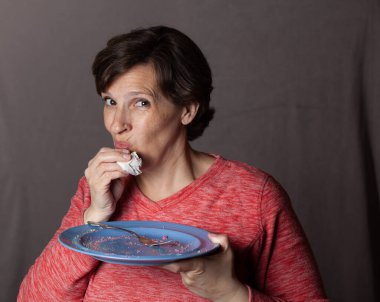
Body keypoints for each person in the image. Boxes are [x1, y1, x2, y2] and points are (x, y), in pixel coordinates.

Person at [18, 25, 328, 302]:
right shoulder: (99, 188)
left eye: (140, 102)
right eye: (110, 102)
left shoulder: (253, 197)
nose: (117, 123)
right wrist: (94, 219)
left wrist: (230, 293)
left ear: (187, 110)